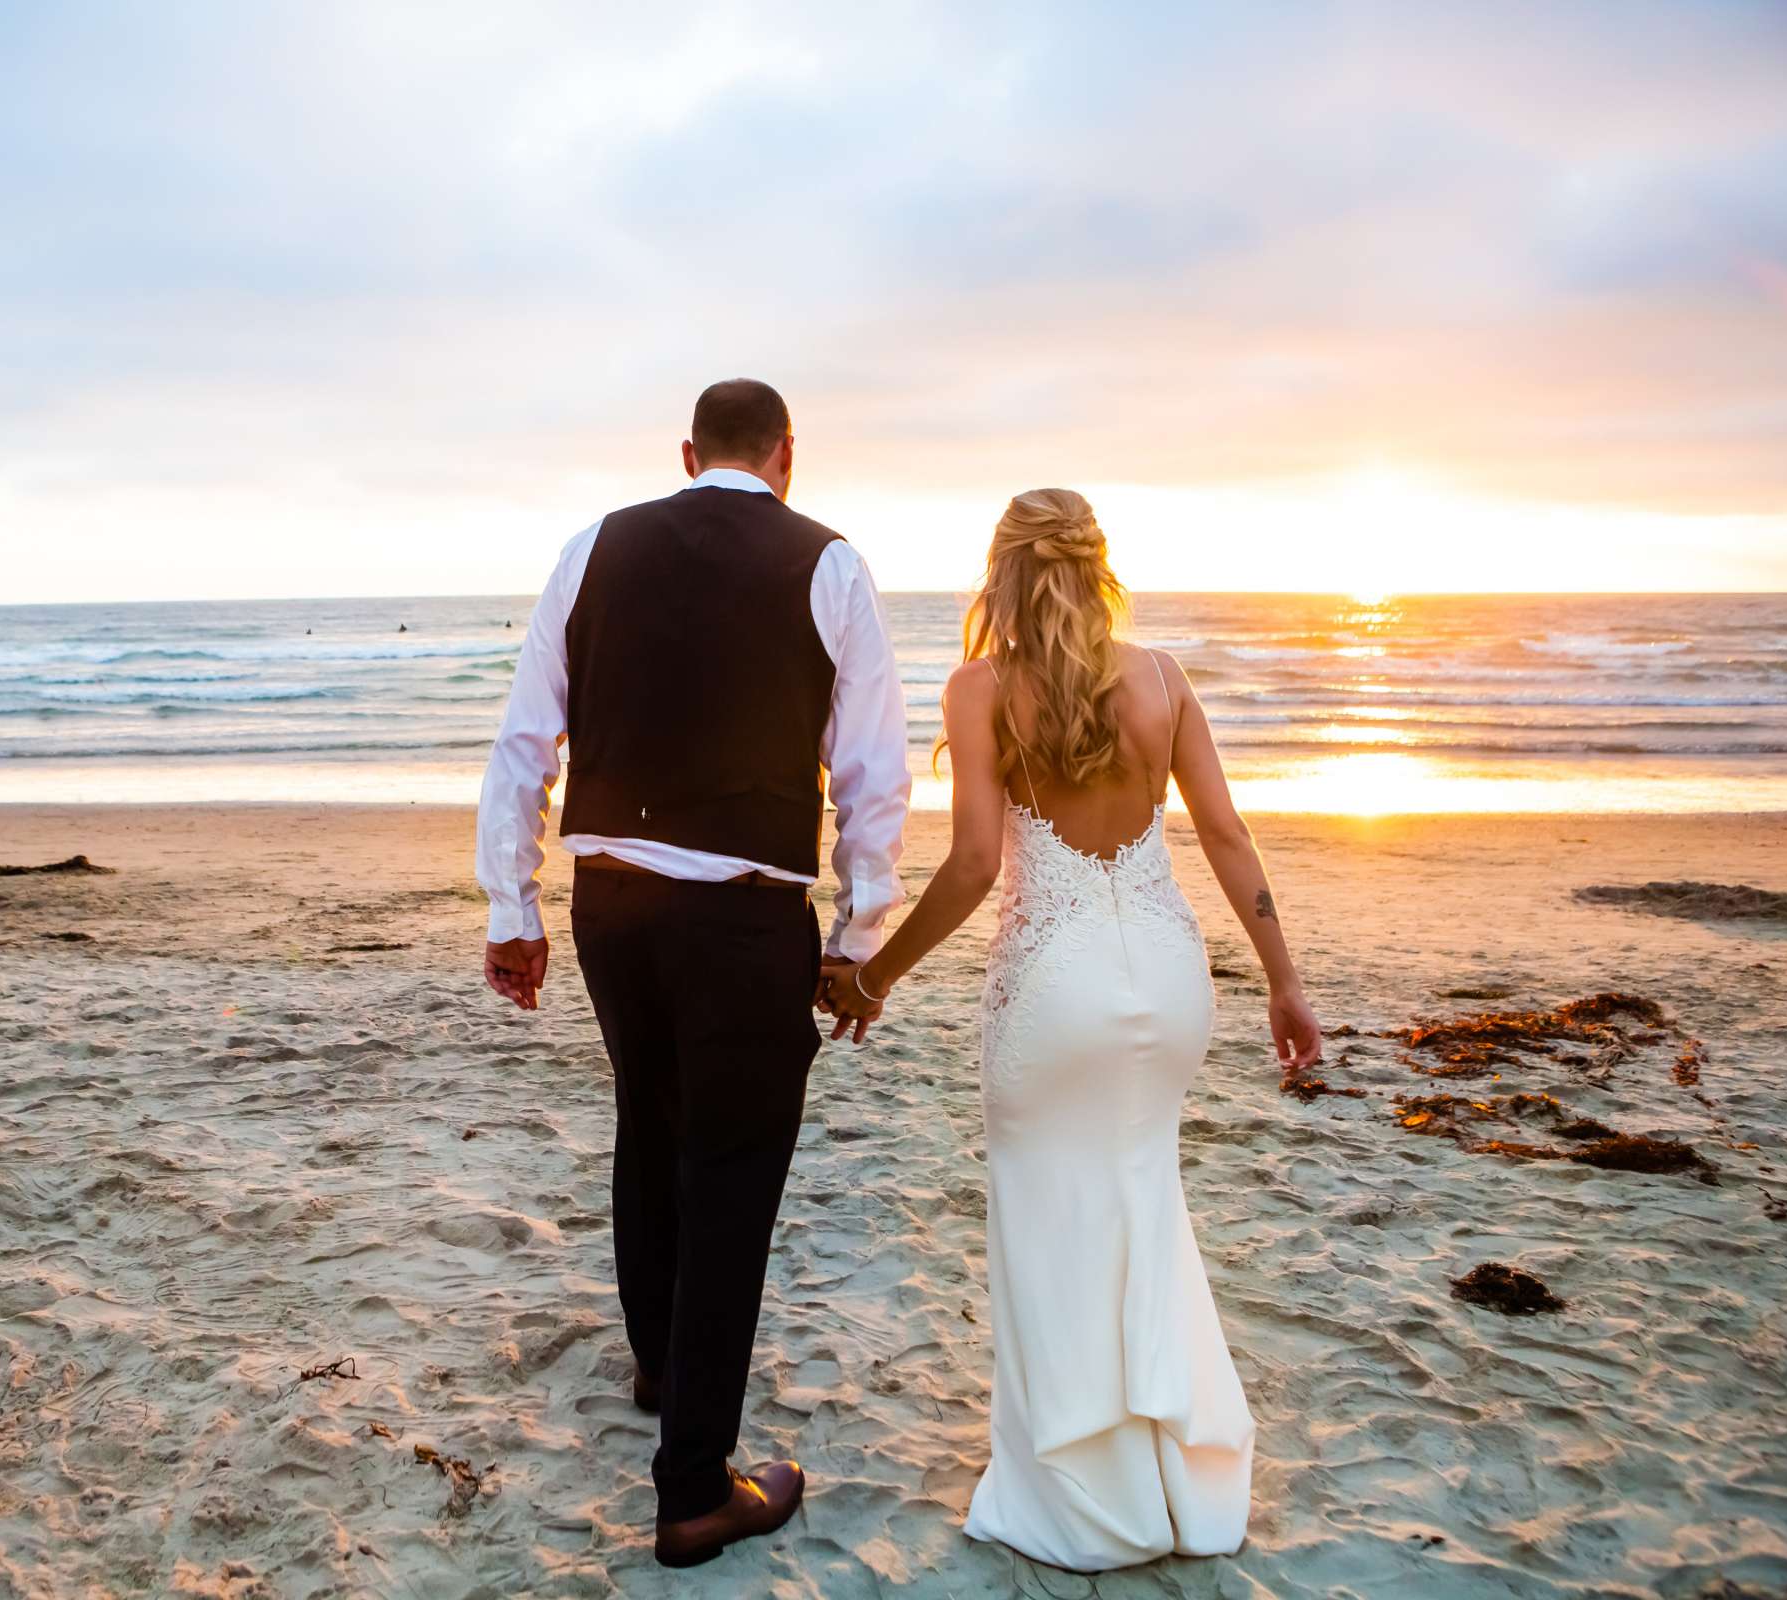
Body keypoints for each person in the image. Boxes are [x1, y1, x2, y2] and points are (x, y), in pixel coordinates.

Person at [821, 488, 1322, 1571]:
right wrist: (1284, 981)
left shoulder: (981, 687)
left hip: (1056, 986)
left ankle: (1089, 1503)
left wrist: (876, 975)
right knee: (1144, 1204)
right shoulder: (1163, 678)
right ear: (1100, 568)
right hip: (1169, 973)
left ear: (997, 573)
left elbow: (972, 866)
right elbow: (1228, 835)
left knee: (1051, 1224)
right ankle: (1179, 1491)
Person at [473, 379, 911, 1567]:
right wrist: (858, 940)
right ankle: (693, 1491)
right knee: (731, 1175)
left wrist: (513, 909)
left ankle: (664, 1367)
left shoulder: (592, 548)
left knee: (649, 1124)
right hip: (740, 914)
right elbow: (872, 771)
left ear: (686, 455)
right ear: (785, 457)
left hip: (611, 903)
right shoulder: (830, 565)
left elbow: (525, 740)